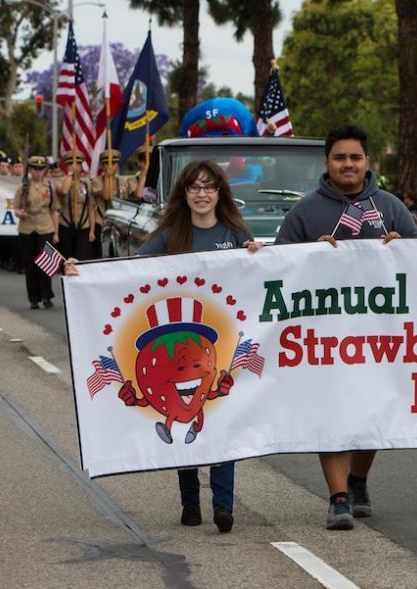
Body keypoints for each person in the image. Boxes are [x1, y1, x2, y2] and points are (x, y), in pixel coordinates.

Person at [66, 159, 261, 533]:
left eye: (209, 187)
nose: (202, 194)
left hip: (214, 344)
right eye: (194, 187)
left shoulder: (235, 233)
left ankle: (223, 505)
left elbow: (256, 278)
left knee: (220, 420)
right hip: (176, 349)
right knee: (181, 412)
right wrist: (83, 272)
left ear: (220, 193)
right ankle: (190, 502)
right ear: (183, 194)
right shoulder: (170, 235)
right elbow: (127, 271)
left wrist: (255, 255)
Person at [275, 123, 417, 530]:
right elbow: (275, 268)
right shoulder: (304, 212)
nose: (348, 164)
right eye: (340, 157)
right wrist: (310, 257)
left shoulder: (390, 207)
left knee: (372, 414)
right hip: (323, 338)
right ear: (327, 162)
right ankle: (338, 497)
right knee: (332, 412)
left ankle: (358, 480)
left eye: (355, 157)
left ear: (367, 162)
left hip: (381, 334)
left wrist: (403, 250)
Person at [13, 155, 60, 309]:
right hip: (27, 229)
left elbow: (54, 211)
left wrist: (56, 233)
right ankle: (34, 298)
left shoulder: (49, 187)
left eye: (41, 169)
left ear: (45, 170)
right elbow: (16, 208)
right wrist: (20, 213)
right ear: (30, 170)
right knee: (30, 264)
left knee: (45, 263)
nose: (38, 173)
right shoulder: (23, 187)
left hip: (45, 227)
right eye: (35, 169)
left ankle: (47, 296)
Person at [56, 152, 94, 261]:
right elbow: (64, 191)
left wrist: (91, 230)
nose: (74, 167)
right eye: (71, 165)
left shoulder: (86, 183)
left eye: (77, 165)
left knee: (82, 259)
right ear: (67, 166)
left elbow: (91, 208)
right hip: (65, 225)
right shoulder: (60, 181)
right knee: (67, 261)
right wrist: (69, 174)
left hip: (83, 227)